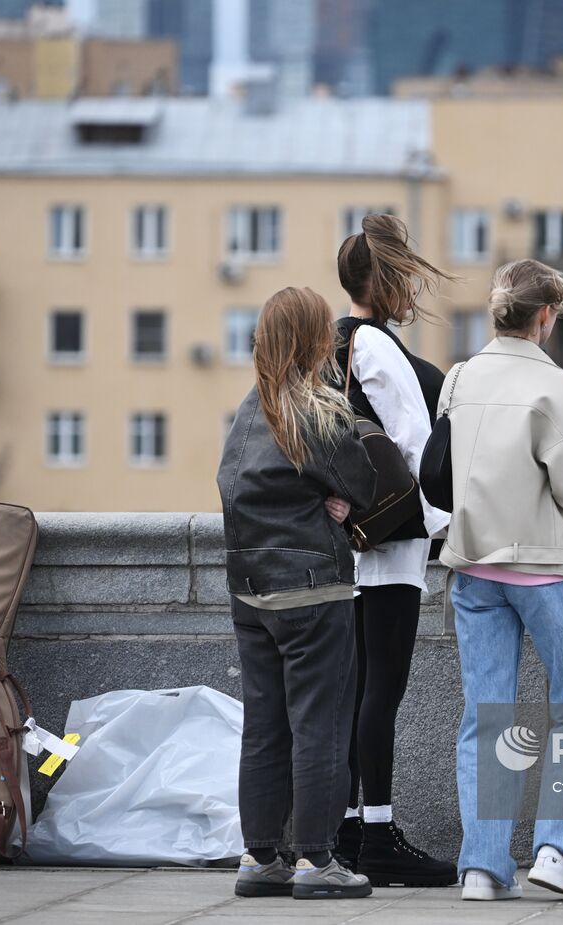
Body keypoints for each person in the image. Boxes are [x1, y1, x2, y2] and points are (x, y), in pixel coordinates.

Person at [439, 258, 563, 902]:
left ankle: (484, 868)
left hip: (474, 568)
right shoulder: (561, 390)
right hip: (544, 568)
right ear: (545, 316)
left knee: (488, 715)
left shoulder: (459, 378)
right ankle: (560, 851)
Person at [217, 286, 378, 900]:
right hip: (312, 590)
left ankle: (261, 858)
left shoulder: (248, 409)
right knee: (322, 725)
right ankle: (316, 860)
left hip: (251, 591)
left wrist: (318, 497)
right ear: (318, 341)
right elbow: (361, 480)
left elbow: (236, 486)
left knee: (263, 726)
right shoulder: (317, 409)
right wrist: (330, 502)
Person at [332, 213, 457, 886]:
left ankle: (351, 828)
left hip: (349, 544)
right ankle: (377, 833)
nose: (412, 290)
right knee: (383, 688)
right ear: (385, 281)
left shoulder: (337, 340)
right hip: (392, 543)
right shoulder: (377, 346)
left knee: (358, 691)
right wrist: (442, 523)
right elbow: (414, 445)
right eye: (406, 277)